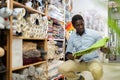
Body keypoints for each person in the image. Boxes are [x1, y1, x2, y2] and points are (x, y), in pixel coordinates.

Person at [58, 14, 108, 80]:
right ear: (73, 26)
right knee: (62, 69)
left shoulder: (94, 34)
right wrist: (74, 57)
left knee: (97, 71)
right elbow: (68, 53)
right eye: (78, 25)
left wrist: (104, 49)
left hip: (92, 61)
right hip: (79, 61)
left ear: (84, 22)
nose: (81, 27)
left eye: (82, 24)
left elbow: (101, 46)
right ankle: (78, 78)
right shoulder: (72, 37)